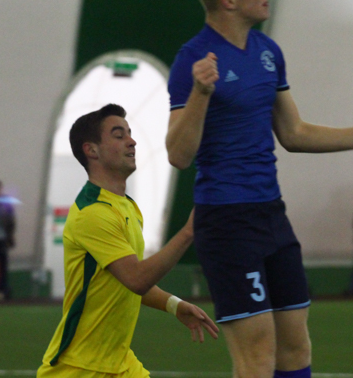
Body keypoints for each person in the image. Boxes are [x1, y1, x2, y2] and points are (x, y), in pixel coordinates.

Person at [166, 0, 353, 378]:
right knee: (258, 356)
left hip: (271, 216)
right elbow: (178, 154)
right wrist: (201, 94)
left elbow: (294, 133)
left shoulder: (268, 52)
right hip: (226, 221)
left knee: (296, 349)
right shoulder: (194, 58)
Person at [37, 104, 218, 378]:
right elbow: (136, 278)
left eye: (130, 134)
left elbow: (128, 280)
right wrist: (189, 232)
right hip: (79, 369)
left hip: (121, 364)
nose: (131, 141)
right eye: (119, 135)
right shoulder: (92, 213)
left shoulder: (127, 207)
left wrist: (174, 305)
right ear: (92, 150)